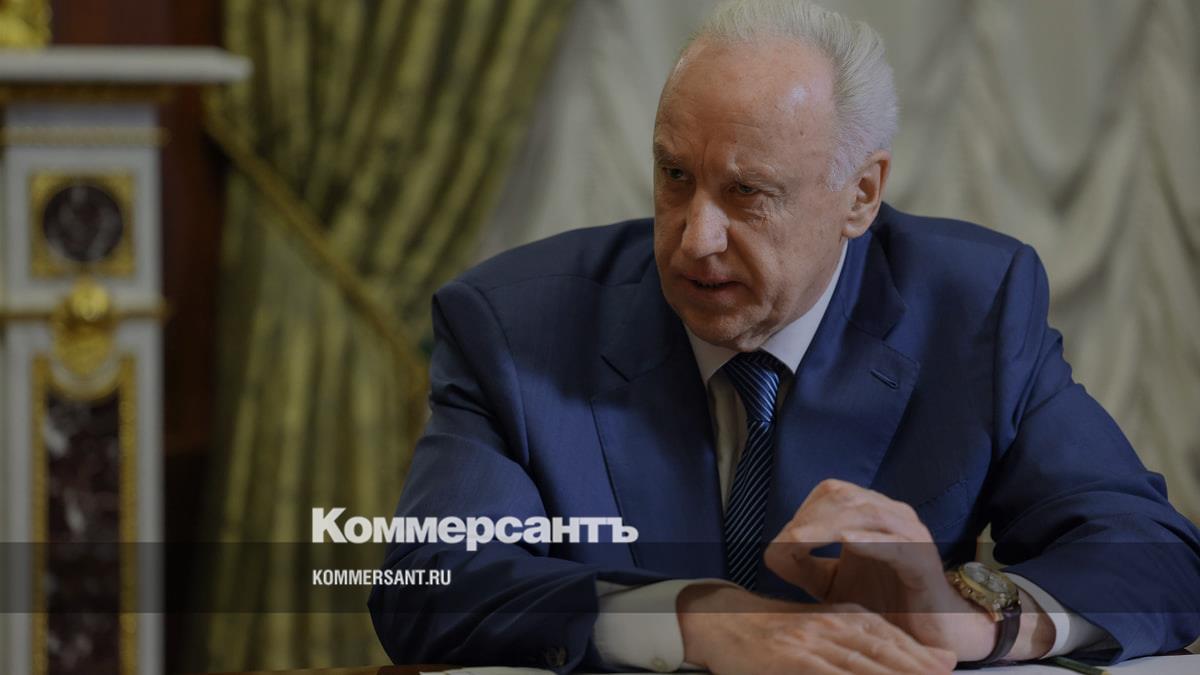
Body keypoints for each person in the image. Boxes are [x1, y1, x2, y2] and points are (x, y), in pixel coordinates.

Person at [369, 1, 1200, 672]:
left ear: (861, 195)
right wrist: (699, 619)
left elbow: (1152, 553)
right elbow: (427, 580)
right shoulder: (515, 326)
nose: (695, 238)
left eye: (748, 193)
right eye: (675, 176)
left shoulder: (972, 310)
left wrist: (973, 618)